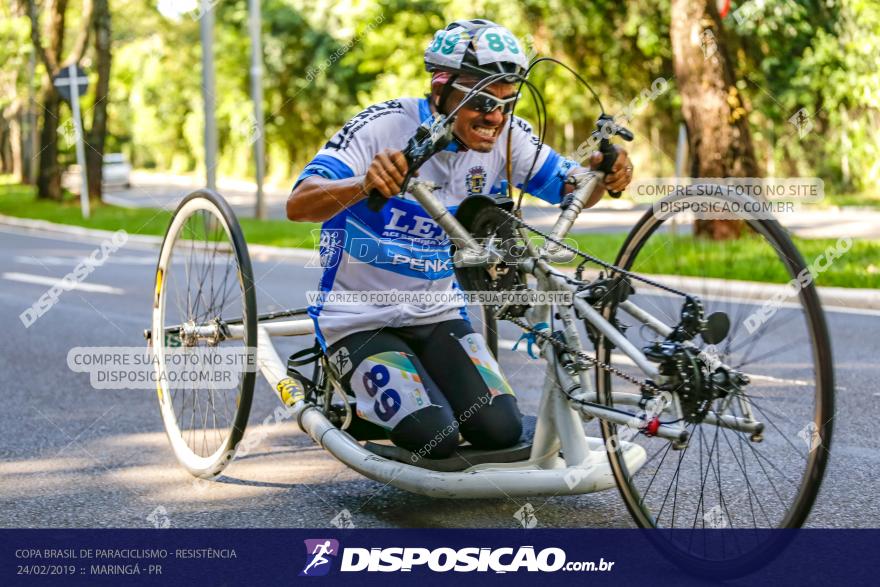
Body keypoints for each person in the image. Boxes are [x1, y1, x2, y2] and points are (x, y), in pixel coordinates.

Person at [287, 19, 634, 460]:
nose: (496, 117)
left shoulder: (508, 136)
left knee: (500, 429)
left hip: (438, 314)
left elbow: (576, 189)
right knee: (435, 436)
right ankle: (356, 397)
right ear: (441, 89)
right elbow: (299, 204)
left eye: (509, 102)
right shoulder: (383, 124)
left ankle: (422, 384)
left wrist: (608, 173)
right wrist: (363, 182)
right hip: (358, 319)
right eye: (483, 100)